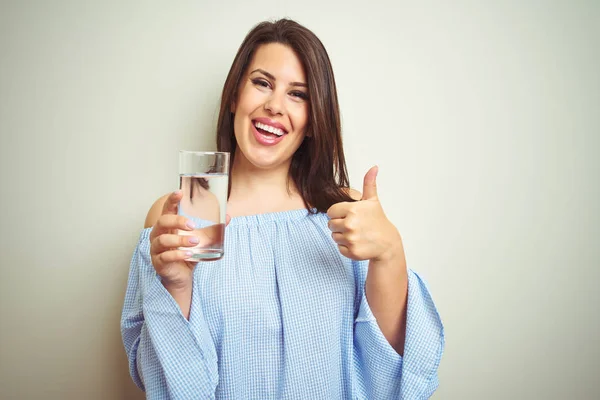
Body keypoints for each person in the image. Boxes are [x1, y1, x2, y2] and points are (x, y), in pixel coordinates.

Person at [121, 18, 444, 399]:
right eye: (262, 83)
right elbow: (166, 383)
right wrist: (175, 285)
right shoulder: (183, 214)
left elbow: (389, 375)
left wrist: (390, 251)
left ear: (312, 121)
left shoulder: (346, 212)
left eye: (298, 94)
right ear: (233, 97)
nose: (274, 106)